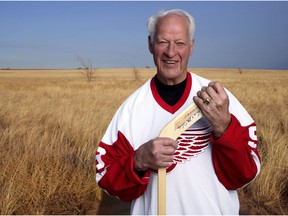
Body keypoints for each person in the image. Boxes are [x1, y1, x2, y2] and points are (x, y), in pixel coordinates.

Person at [95, 9, 260, 215]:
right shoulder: (131, 109)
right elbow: (106, 179)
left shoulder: (220, 100)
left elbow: (244, 176)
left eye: (180, 43)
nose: (171, 52)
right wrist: (138, 161)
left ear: (191, 47)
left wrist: (224, 128)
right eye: (163, 41)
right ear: (150, 45)